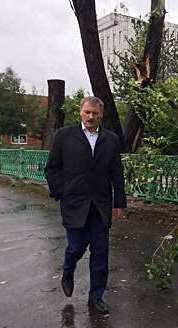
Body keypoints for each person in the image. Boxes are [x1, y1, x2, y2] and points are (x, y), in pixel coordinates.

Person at [44, 96, 126, 315]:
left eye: (95, 113)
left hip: (100, 204)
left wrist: (119, 202)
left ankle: (96, 296)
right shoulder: (64, 136)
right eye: (87, 112)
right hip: (74, 204)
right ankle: (67, 272)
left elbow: (117, 173)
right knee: (76, 247)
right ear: (80, 112)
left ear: (101, 115)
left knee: (101, 252)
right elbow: (52, 169)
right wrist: (61, 191)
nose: (91, 116)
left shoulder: (111, 140)